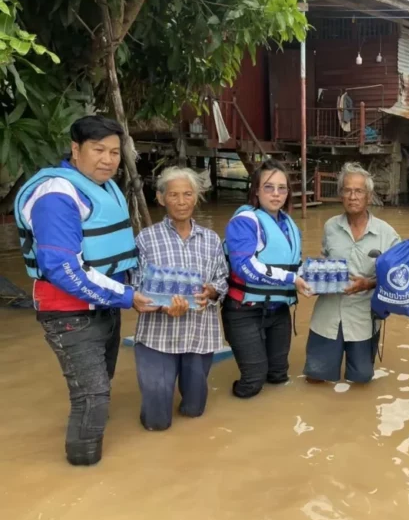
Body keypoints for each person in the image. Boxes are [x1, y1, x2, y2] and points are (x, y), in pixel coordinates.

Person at [13, 115, 155, 466]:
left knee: (100, 385)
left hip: (105, 306)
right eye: (98, 150)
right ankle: (82, 466)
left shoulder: (105, 187)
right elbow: (62, 268)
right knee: (92, 395)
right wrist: (127, 296)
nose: (108, 160)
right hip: (69, 312)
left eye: (114, 152)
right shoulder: (56, 195)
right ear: (75, 150)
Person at [132, 167, 229, 431]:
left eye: (188, 194)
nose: (182, 201)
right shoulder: (146, 239)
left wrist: (211, 291)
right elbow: (134, 285)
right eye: (174, 195)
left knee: (194, 411)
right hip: (157, 336)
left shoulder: (211, 240)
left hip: (199, 334)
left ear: (196, 197)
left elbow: (222, 279)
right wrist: (161, 306)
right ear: (161, 198)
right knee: (156, 422)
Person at [304, 163, 401, 384]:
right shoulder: (330, 227)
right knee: (315, 378)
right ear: (341, 195)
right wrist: (315, 277)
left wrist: (368, 284)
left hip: (363, 317)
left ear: (369, 196)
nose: (353, 196)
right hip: (328, 315)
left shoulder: (387, 233)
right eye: (347, 190)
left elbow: (398, 277)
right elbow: (324, 260)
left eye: (359, 191)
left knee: (361, 379)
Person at [222, 159, 311, 398]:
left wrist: (317, 277)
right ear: (256, 190)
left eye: (282, 188)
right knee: (253, 381)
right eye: (269, 187)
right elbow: (244, 266)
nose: (276, 194)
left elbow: (294, 264)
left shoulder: (289, 225)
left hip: (278, 310)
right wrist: (291, 279)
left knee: (278, 375)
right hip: (244, 311)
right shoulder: (245, 221)